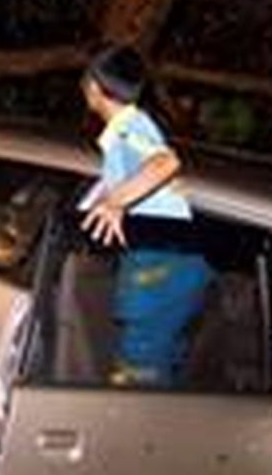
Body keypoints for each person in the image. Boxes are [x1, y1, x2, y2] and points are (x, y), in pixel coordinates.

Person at [79, 45, 211, 387]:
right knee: (162, 357)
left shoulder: (129, 129)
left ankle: (132, 431)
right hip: (177, 259)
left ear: (95, 87)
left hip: (163, 262)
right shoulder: (128, 130)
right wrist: (104, 198)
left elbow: (166, 163)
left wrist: (115, 203)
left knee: (137, 371)